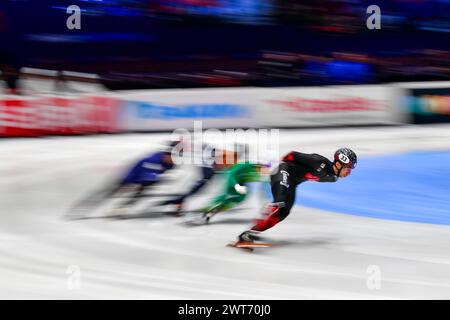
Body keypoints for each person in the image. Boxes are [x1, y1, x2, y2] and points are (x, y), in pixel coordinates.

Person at [233, 148, 357, 246]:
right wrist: (279, 170)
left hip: (292, 184)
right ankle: (246, 233)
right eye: (348, 168)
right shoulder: (320, 162)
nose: (349, 172)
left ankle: (253, 231)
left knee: (284, 212)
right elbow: (292, 155)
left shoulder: (333, 178)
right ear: (339, 163)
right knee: (279, 201)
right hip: (283, 171)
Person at [67, 140, 181, 218]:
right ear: (167, 154)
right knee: (110, 192)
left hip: (146, 178)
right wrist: (130, 186)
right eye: (171, 157)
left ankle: (121, 209)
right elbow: (147, 176)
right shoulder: (153, 160)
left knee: (139, 193)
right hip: (132, 175)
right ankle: (84, 206)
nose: (173, 160)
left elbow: (155, 177)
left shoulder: (172, 163)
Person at [198, 161, 268, 224]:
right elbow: (231, 174)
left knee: (240, 198)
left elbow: (262, 186)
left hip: (240, 182)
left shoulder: (258, 173)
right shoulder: (246, 166)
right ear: (260, 166)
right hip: (231, 178)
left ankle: (213, 210)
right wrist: (236, 185)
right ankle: (207, 209)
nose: (263, 172)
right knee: (225, 196)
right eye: (264, 168)